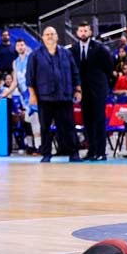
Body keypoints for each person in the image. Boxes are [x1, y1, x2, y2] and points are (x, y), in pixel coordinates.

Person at [27, 26, 82, 163]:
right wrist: (32, 95)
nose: (50, 36)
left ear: (57, 37)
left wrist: (78, 90)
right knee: (45, 127)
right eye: (47, 34)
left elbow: (75, 72)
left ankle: (73, 153)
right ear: (43, 37)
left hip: (64, 96)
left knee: (69, 126)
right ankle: (46, 154)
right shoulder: (35, 55)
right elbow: (30, 78)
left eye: (53, 34)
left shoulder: (66, 53)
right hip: (45, 97)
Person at [74, 21, 112, 161]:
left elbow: (108, 67)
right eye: (81, 31)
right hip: (83, 91)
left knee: (99, 120)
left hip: (98, 89)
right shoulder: (74, 49)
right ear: (77, 33)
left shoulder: (99, 48)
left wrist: (101, 83)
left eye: (86, 30)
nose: (83, 33)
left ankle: (101, 152)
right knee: (87, 121)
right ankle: (91, 150)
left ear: (90, 32)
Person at [0, 38, 41, 153]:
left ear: (26, 46)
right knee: (32, 121)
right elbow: (15, 82)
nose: (20, 47)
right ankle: (37, 147)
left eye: (22, 45)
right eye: (18, 46)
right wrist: (6, 93)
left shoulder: (31, 58)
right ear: (16, 48)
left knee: (38, 120)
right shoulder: (15, 62)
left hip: (35, 94)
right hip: (25, 97)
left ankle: (41, 147)